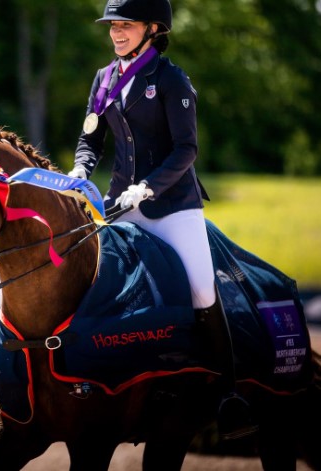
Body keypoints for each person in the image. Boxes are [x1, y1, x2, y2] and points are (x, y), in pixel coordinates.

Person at [68, 0, 256, 440]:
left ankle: (229, 395)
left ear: (154, 28)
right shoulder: (105, 77)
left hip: (172, 205)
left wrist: (148, 187)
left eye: (126, 25)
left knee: (201, 288)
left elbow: (186, 149)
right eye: (112, 25)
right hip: (116, 203)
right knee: (87, 279)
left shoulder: (170, 79)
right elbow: (90, 136)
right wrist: (80, 168)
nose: (116, 32)